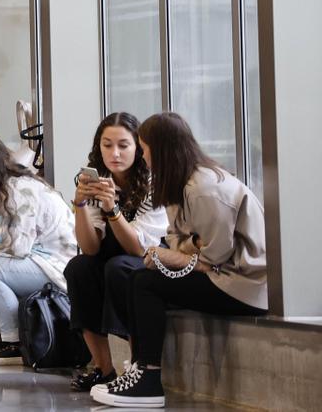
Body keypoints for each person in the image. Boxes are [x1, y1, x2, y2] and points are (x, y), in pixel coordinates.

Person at [93, 113, 267, 409]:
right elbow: (176, 238)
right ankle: (140, 369)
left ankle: (148, 378)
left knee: (146, 282)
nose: (142, 156)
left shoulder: (204, 189)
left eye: (144, 149)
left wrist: (180, 252)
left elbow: (214, 258)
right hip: (222, 274)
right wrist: (190, 247)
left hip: (243, 285)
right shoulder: (178, 183)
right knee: (137, 276)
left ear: (160, 150)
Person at [0, 132, 77, 366]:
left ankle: (15, 341)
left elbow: (14, 246)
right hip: (34, 259)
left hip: (56, 266)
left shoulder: (19, 190)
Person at [64, 113, 168, 391]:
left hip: (150, 259)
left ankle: (138, 366)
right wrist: (80, 205)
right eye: (107, 145)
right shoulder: (99, 179)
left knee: (121, 268)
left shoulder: (152, 183)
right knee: (79, 268)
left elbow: (138, 247)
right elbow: (90, 247)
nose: (115, 153)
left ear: (138, 147)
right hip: (113, 257)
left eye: (124, 145)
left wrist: (112, 209)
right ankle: (103, 367)